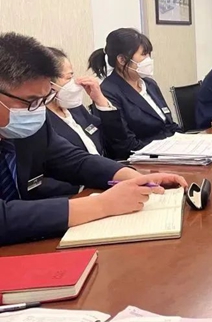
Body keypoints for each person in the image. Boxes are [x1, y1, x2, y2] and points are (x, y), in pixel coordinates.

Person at [0, 32, 187, 247]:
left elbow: (73, 160)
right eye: (31, 101)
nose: (38, 110)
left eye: (45, 99)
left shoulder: (31, 125)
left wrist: (132, 177)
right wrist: (102, 205)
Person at [39, 48, 123, 198]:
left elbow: (116, 142)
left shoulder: (75, 108)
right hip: (80, 194)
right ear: (47, 82)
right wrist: (83, 188)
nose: (74, 83)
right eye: (68, 78)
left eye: (72, 76)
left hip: (109, 180)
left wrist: (100, 100)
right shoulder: (39, 119)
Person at [88, 28, 181, 160]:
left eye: (149, 54)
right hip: (142, 160)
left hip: (171, 152)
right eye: (143, 55)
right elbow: (125, 145)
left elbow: (169, 125)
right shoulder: (108, 92)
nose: (148, 60)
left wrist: (188, 142)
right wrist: (166, 149)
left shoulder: (149, 84)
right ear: (122, 60)